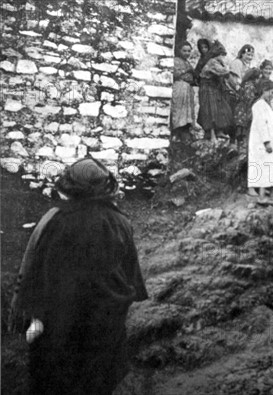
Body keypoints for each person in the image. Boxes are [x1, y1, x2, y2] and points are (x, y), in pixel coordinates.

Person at [11, 158, 148, 395]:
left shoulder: (56, 220)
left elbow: (42, 272)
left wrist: (36, 317)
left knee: (59, 380)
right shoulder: (120, 222)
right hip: (104, 321)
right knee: (96, 380)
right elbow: (130, 273)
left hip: (62, 324)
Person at [247, 79, 273, 198]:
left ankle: (270, 190)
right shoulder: (259, 105)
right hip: (261, 143)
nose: (272, 96)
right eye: (271, 93)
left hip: (270, 141)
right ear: (264, 91)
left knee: (269, 165)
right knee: (261, 165)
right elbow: (261, 124)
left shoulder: (266, 105)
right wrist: (266, 142)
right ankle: (258, 192)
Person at [197, 40, 234, 143]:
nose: (223, 57)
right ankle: (212, 134)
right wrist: (226, 66)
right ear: (217, 54)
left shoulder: (217, 62)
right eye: (222, 55)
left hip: (214, 88)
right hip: (207, 88)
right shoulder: (213, 62)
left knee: (221, 108)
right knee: (210, 110)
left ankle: (219, 131)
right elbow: (224, 71)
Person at [170, 42, 196, 145]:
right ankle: (177, 132)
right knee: (179, 109)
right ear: (179, 51)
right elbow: (175, 74)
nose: (187, 53)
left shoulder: (188, 62)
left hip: (187, 88)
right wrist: (187, 70)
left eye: (189, 51)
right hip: (179, 87)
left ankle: (185, 132)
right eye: (184, 50)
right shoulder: (176, 61)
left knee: (187, 111)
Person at [233, 67, 261, 149]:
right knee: (244, 129)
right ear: (255, 78)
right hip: (245, 109)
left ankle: (240, 147)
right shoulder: (250, 86)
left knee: (240, 129)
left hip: (240, 109)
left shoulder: (245, 84)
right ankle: (243, 147)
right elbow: (249, 98)